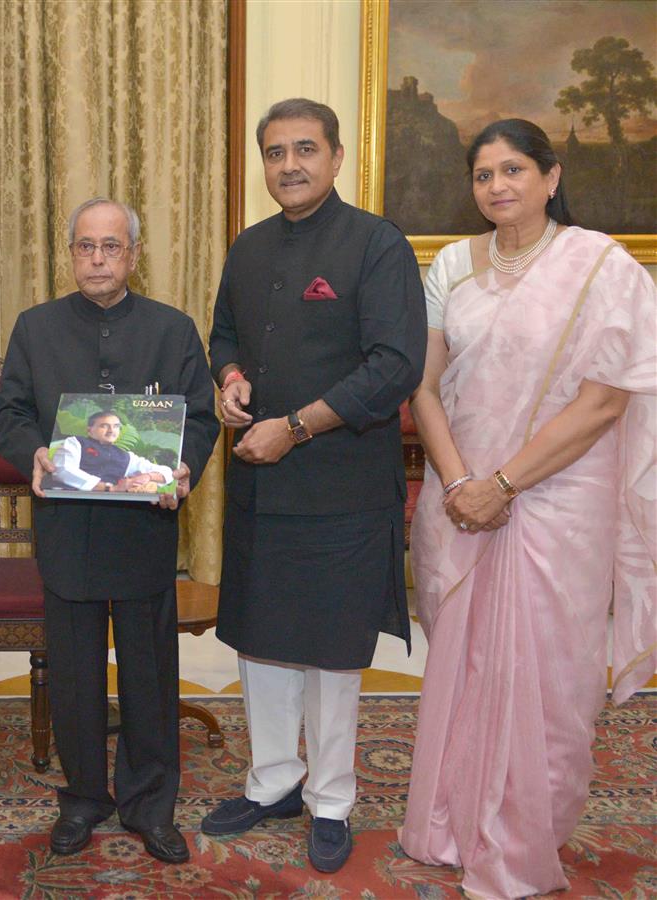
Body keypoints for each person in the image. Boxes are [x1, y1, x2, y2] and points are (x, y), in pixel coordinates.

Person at [399, 118, 656, 900]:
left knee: (548, 675)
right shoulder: (449, 266)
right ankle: (448, 822)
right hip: (461, 493)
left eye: (514, 169)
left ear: (550, 176)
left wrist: (503, 484)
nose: (498, 186)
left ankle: (520, 841)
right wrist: (456, 484)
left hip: (556, 501)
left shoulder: (601, 268)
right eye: (483, 174)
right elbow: (425, 383)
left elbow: (606, 400)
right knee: (465, 660)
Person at [203, 98, 425, 874]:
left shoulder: (376, 244)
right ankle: (272, 781)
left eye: (304, 149)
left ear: (335, 157)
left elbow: (395, 365)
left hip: (340, 487)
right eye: (274, 152)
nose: (288, 165)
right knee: (261, 640)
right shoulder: (251, 245)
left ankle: (331, 797)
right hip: (260, 485)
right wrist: (228, 377)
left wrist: (294, 426)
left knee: (332, 653)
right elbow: (223, 330)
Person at [0, 198, 219, 864]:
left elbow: (200, 420)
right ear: (70, 255)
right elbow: (7, 418)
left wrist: (183, 463)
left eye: (110, 246)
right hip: (68, 531)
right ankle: (86, 797)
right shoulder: (35, 328)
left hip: (145, 532)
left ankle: (151, 804)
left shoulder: (173, 331)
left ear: (133, 254)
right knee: (75, 675)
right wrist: (33, 450)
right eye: (85, 246)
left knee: (150, 675)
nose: (96, 258)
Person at [46, 410, 175, 493]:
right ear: (89, 430)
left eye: (116, 426)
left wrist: (148, 476)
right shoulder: (75, 443)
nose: (111, 430)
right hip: (70, 503)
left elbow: (167, 472)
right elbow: (63, 471)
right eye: (104, 425)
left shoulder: (126, 456)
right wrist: (109, 488)